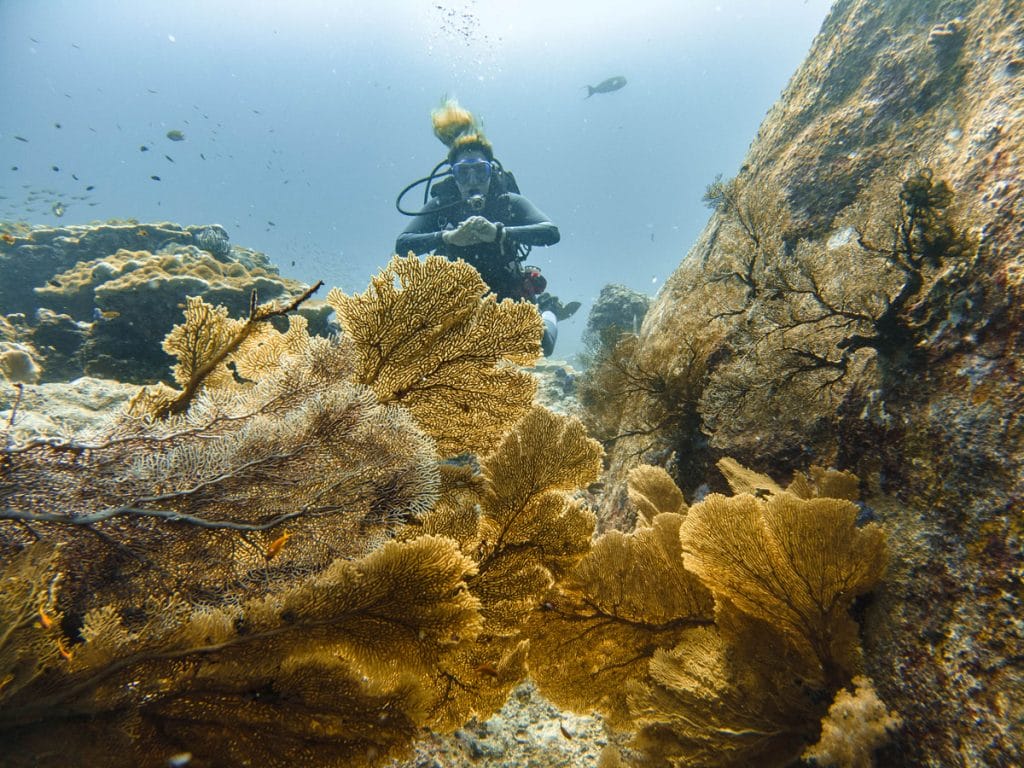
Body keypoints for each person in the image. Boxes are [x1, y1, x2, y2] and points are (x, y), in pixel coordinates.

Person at [396, 99, 578, 356]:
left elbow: (551, 232)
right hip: (456, 294)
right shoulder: (443, 205)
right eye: (463, 173)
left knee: (541, 346)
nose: (473, 181)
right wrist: (447, 237)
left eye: (480, 172)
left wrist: (500, 232)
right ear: (453, 176)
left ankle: (550, 310)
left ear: (491, 173)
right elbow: (402, 244)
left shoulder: (508, 203)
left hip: (506, 285)